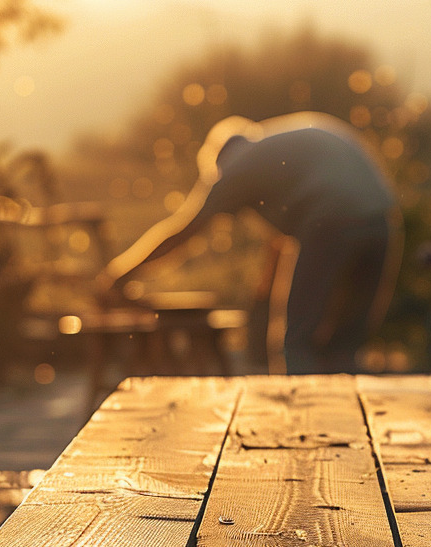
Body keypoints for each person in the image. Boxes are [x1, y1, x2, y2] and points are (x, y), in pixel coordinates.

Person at [97, 112, 402, 374]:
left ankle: (306, 430)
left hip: (330, 222)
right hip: (382, 223)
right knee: (344, 345)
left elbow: (183, 233)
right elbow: (281, 244)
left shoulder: (234, 165)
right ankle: (348, 429)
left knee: (295, 343)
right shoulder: (277, 148)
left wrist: (120, 274)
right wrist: (263, 295)